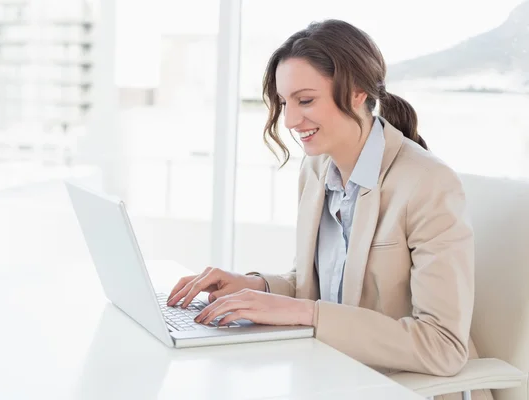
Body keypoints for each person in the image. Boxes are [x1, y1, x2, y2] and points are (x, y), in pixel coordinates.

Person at [167, 19, 490, 400]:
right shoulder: (317, 168)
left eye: (305, 101)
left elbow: (443, 346)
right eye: (284, 102)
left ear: (357, 92)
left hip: (406, 389)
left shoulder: (427, 184)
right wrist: (256, 287)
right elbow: (322, 288)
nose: (289, 120)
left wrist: (304, 314)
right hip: (333, 377)